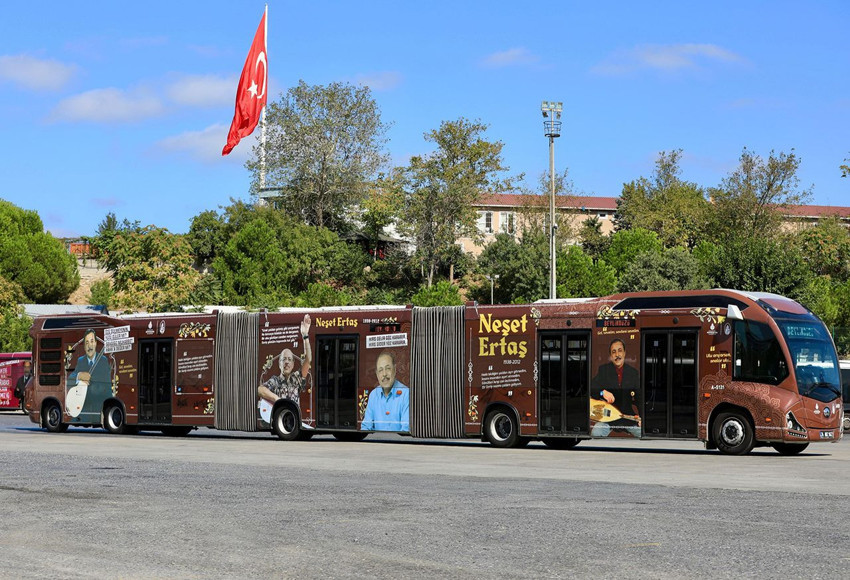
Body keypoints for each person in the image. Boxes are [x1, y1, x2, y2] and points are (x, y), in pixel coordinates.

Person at [258, 314, 312, 408]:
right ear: (279, 364)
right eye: (284, 359)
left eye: (289, 359)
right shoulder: (275, 381)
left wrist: (305, 335)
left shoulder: (297, 379)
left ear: (293, 363)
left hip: (294, 419)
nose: (286, 362)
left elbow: (308, 360)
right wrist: (276, 398)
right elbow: (260, 390)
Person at [590, 338, 641, 437]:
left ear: (625, 353)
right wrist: (602, 392)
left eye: (620, 351)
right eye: (614, 352)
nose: (617, 355)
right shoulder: (604, 370)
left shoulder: (633, 373)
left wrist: (642, 418)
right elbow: (591, 388)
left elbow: (639, 397)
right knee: (596, 433)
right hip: (608, 417)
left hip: (627, 418)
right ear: (611, 356)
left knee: (643, 433)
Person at [67, 329, 113, 422]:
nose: (89, 345)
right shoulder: (80, 360)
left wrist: (92, 385)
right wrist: (79, 376)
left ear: (96, 343)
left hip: (98, 408)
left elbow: (107, 386)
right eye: (87, 342)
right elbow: (70, 378)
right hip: (82, 407)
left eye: (92, 341)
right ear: (84, 346)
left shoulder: (103, 361)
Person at [361, 350, 410, 432]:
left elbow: (406, 429)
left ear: (394, 370)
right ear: (377, 374)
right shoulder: (373, 395)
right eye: (380, 370)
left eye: (388, 368)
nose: (384, 374)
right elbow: (366, 427)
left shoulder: (406, 394)